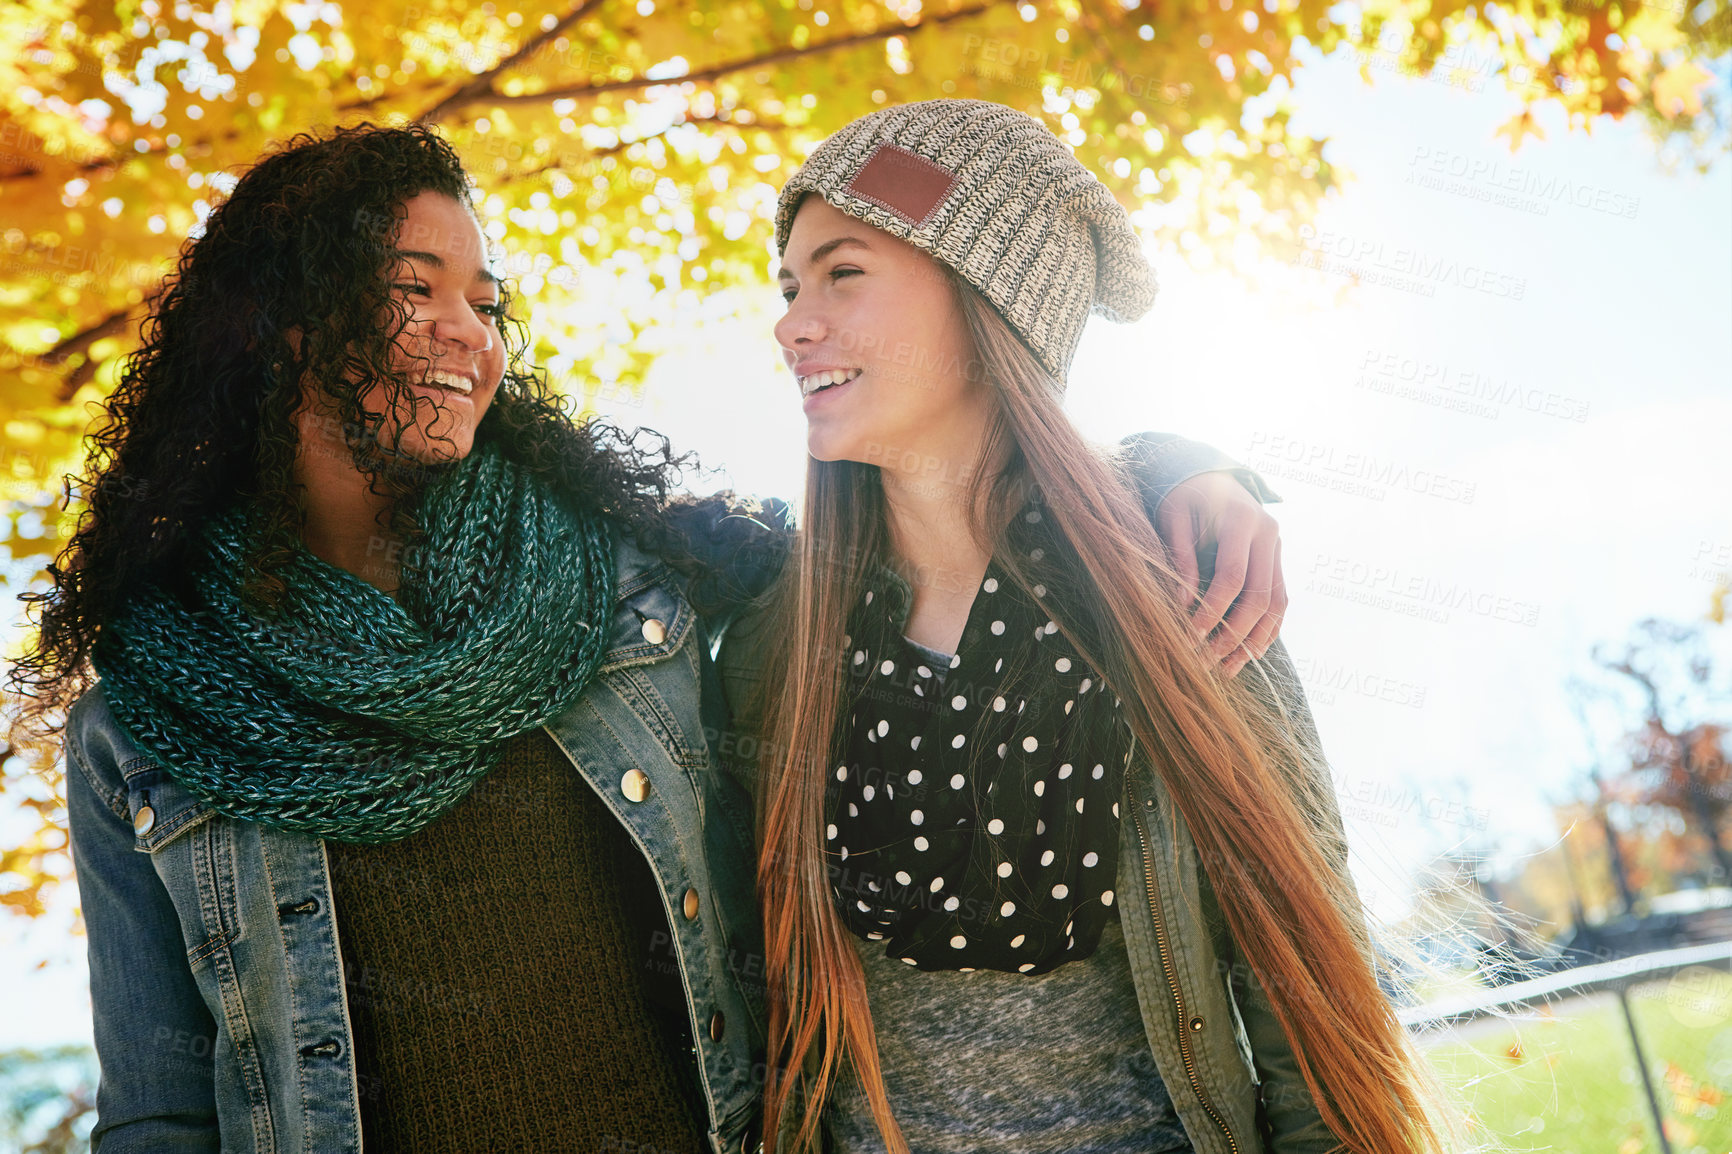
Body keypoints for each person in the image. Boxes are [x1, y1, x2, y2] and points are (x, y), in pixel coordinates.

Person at [7, 122, 1289, 1151]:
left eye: (486, 299)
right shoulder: (150, 721)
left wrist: (1172, 468)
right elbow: (164, 1107)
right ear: (277, 325)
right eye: (414, 287)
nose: (473, 332)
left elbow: (931, 510)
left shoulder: (627, 586)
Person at [718, 100, 1455, 1154]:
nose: (791, 321)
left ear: (988, 300)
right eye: (790, 287)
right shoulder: (769, 650)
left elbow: (1309, 1020)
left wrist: (1179, 466)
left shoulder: (1188, 601)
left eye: (844, 273)